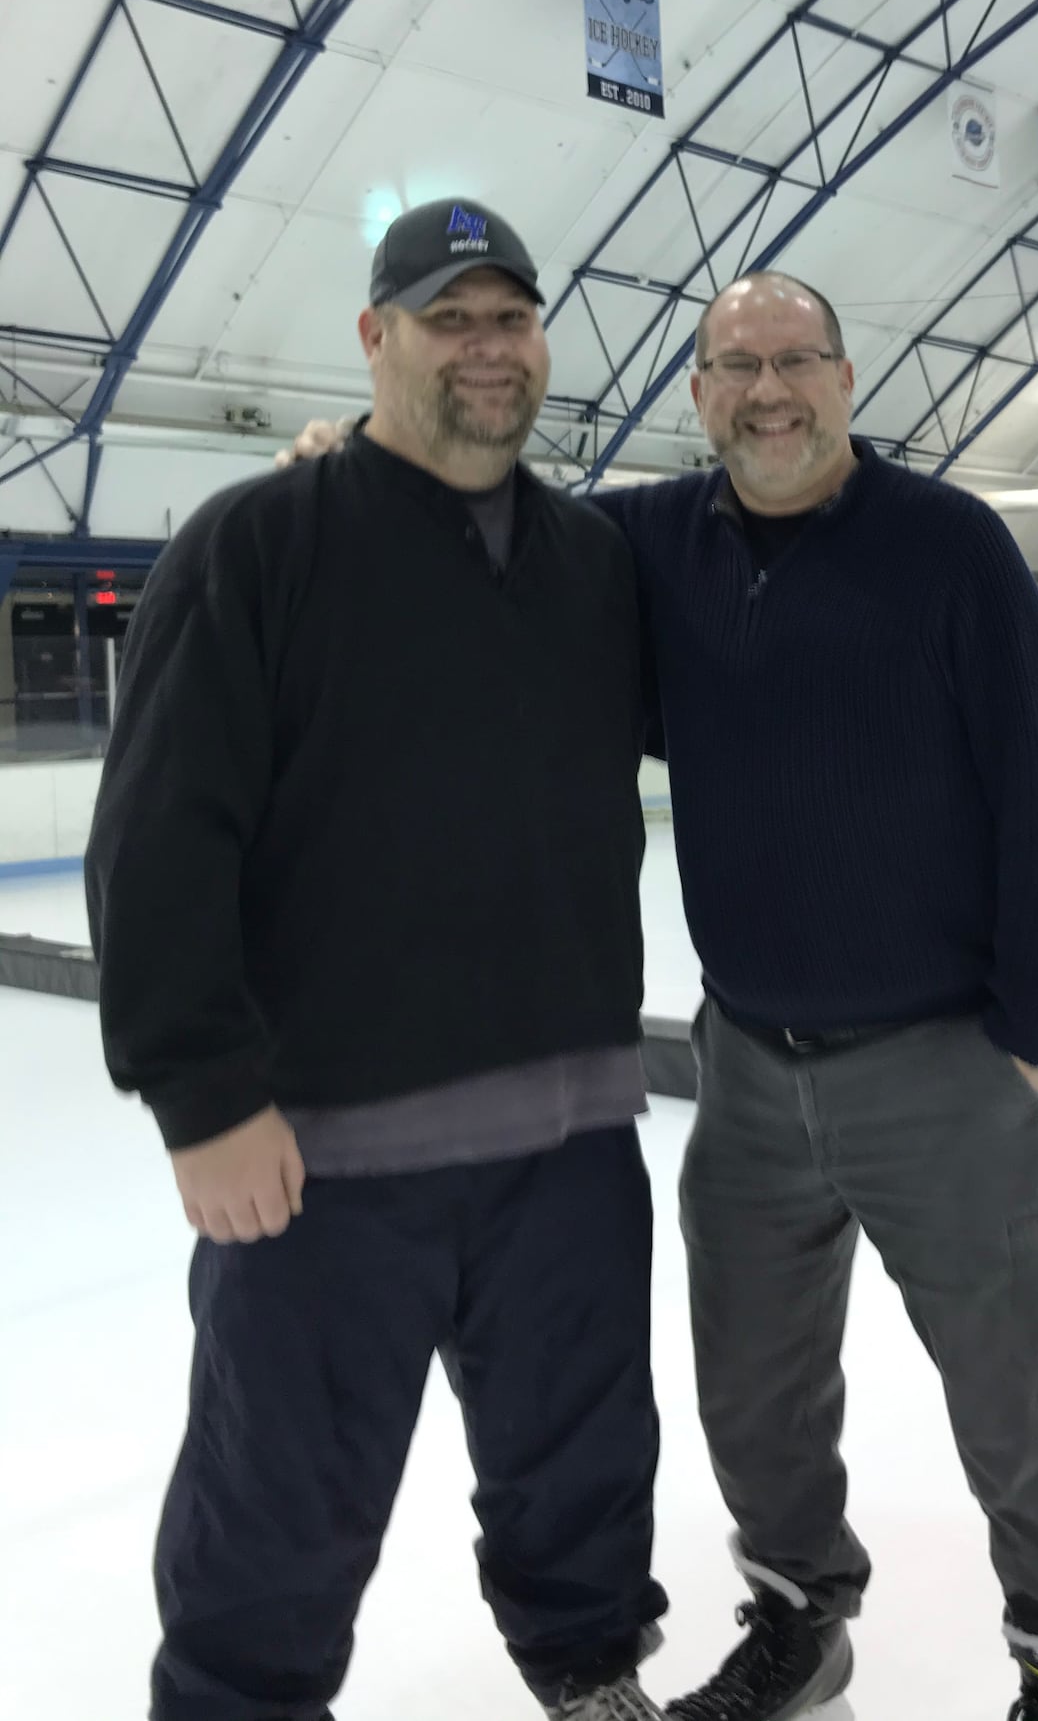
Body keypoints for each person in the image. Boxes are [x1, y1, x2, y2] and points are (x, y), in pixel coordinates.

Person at [285, 269, 1038, 1721]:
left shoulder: (951, 546)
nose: (767, 392)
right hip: (745, 1064)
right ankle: (803, 1614)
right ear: (697, 393)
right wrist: (354, 473)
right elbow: (491, 530)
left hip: (939, 1062)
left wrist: (1029, 1042)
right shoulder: (649, 540)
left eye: (795, 359)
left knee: (1012, 1391)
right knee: (752, 1389)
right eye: (734, 367)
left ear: (847, 375)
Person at [87, 199, 671, 1721]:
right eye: (448, 319)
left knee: (584, 1453)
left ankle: (589, 1666)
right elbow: (159, 834)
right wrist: (201, 1095)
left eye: (510, 317)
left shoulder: (595, 558)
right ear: (375, 339)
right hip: (327, 1158)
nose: (487, 348)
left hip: (571, 1138)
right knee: (279, 1494)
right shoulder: (259, 541)